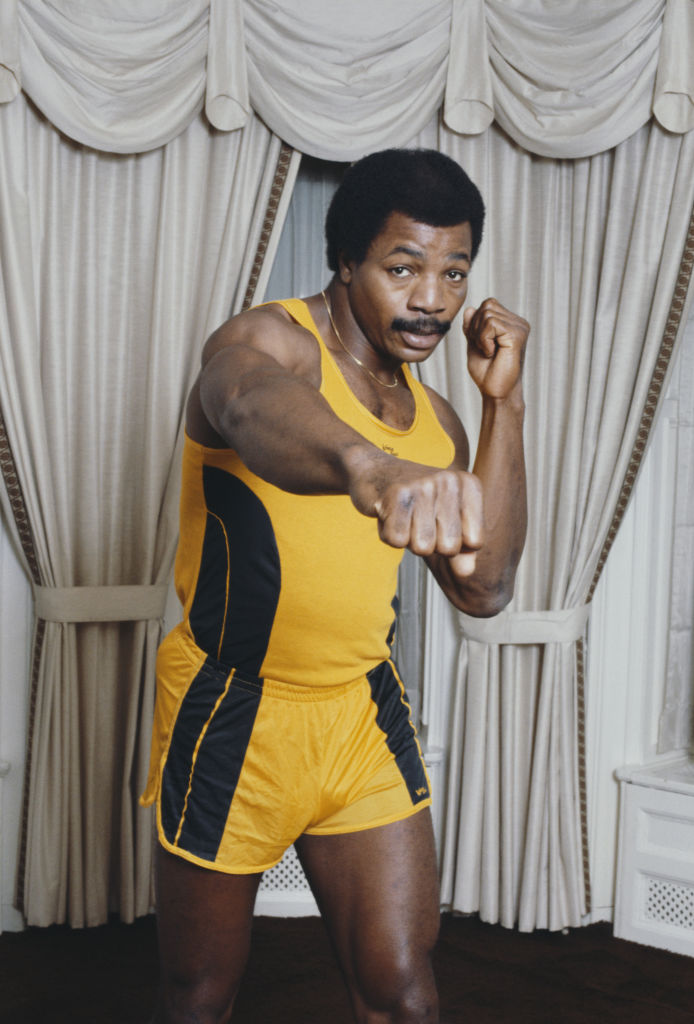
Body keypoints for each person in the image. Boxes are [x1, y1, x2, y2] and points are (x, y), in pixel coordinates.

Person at [141, 148, 528, 1024]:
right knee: (198, 994)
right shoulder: (268, 341)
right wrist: (370, 468)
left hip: (361, 712)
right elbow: (244, 402)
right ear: (345, 262)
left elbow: (486, 589)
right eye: (403, 268)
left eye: (453, 271)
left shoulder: (436, 421)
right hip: (234, 709)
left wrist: (505, 405)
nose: (431, 298)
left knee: (400, 991)